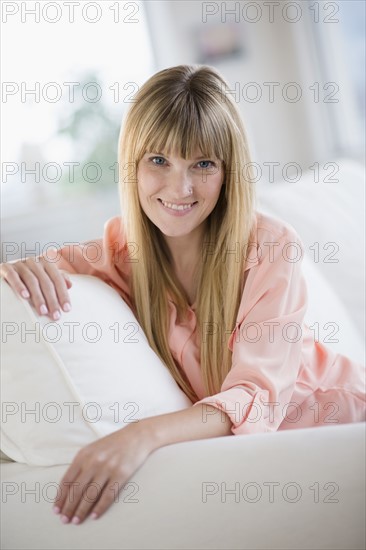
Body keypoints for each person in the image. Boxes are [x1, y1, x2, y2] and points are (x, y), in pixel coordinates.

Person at [1, 64, 365, 525]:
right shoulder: (118, 253)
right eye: (159, 161)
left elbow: (255, 396)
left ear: (228, 170)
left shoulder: (269, 246)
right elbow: (36, 272)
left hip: (340, 423)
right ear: (131, 164)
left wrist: (139, 436)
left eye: (203, 164)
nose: (180, 188)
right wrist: (16, 268)